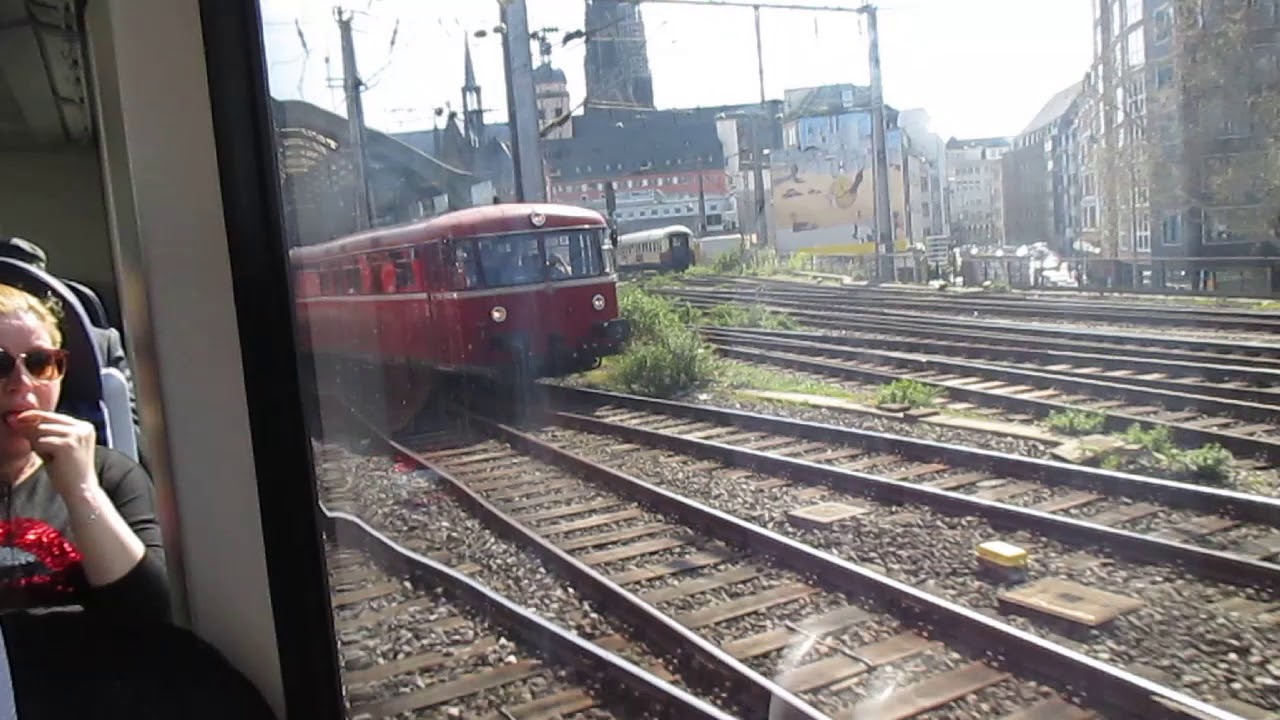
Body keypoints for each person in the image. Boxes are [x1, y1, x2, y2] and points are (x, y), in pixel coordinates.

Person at [0, 283, 169, 621]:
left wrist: (82, 492)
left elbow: (152, 617)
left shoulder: (107, 474)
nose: (22, 382)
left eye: (39, 363)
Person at [0, 236, 140, 441]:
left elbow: (132, 444)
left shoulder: (96, 346)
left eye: (41, 363)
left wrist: (82, 472)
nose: (22, 383)